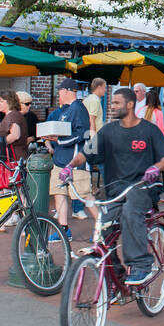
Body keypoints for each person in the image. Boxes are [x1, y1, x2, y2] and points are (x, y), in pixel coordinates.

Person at [61, 86, 164, 286]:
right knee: (103, 224)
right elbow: (86, 153)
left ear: (130, 105)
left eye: (116, 103)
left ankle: (141, 265)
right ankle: (116, 276)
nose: (112, 106)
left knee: (130, 213)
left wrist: (155, 168)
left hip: (142, 186)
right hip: (115, 188)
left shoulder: (148, 130)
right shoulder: (108, 131)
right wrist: (70, 166)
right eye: (112, 103)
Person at [45, 78, 93, 238]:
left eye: (60, 91)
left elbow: (82, 134)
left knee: (85, 195)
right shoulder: (65, 110)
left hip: (75, 162)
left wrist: (58, 139)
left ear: (66, 91)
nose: (58, 94)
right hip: (60, 160)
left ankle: (104, 225)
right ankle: (63, 229)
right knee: (59, 194)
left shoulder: (79, 108)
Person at [0, 89, 27, 159]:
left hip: (13, 158)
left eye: (1, 101)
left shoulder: (13, 115)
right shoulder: (12, 115)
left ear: (10, 102)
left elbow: (15, 135)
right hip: (13, 157)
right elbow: (7, 132)